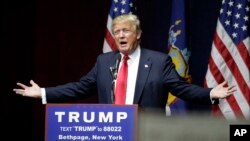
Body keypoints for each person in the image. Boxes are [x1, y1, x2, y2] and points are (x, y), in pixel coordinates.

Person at [13, 14, 235, 112]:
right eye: (116, 31)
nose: (120, 35)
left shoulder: (158, 61)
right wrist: (42, 93)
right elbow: (79, 88)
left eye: (125, 31)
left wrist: (209, 94)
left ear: (137, 34)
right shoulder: (104, 62)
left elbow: (181, 88)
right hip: (111, 132)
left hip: (148, 135)